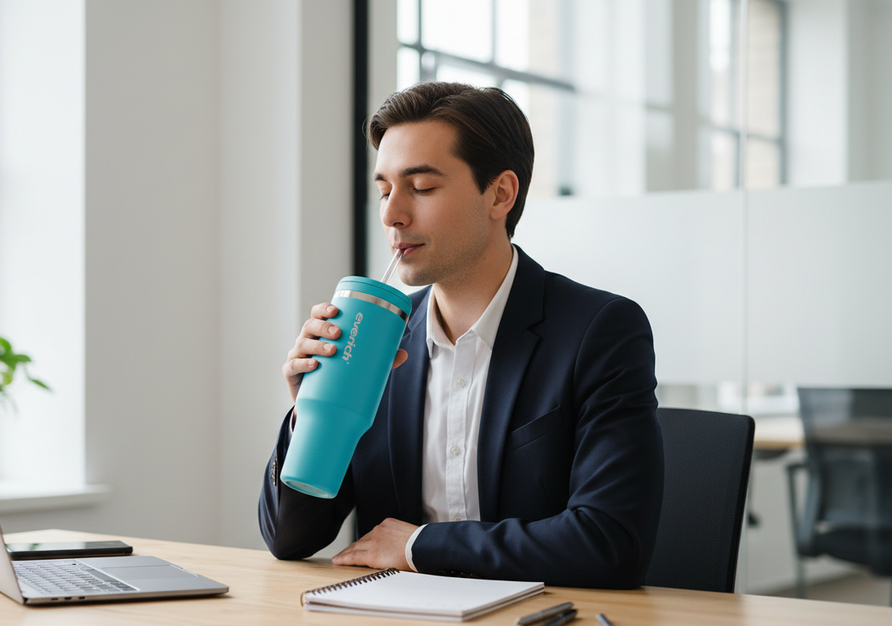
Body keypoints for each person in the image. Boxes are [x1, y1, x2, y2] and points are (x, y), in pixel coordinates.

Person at [259, 81, 664, 588]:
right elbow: (289, 540)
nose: (392, 214)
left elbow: (610, 542)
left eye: (421, 188)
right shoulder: (375, 341)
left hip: (538, 623)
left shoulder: (599, 331)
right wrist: (313, 416)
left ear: (500, 194)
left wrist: (417, 546)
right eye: (384, 191)